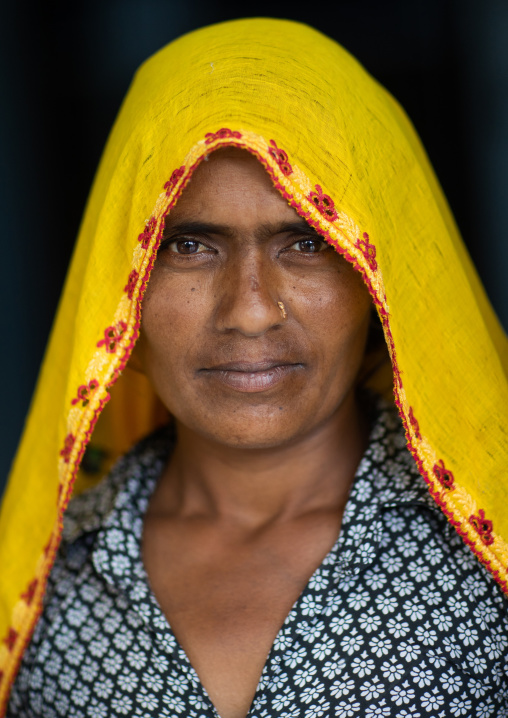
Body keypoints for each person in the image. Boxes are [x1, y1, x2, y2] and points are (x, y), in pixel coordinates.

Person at [1, 17, 507, 718]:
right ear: (123, 289)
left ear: (376, 277)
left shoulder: (488, 552)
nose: (249, 312)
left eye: (306, 241)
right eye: (189, 246)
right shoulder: (40, 592)